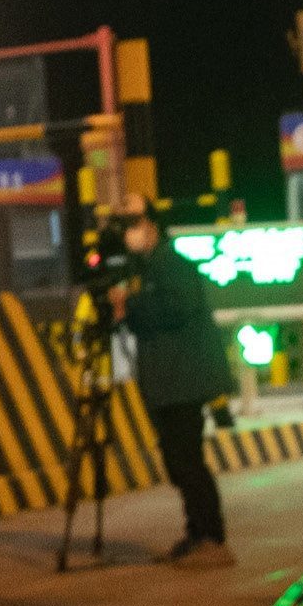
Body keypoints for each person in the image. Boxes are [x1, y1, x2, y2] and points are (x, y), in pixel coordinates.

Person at [112, 207, 234, 567]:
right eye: (125, 226)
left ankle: (212, 538)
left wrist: (129, 303)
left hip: (183, 381)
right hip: (169, 380)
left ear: (153, 226)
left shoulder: (171, 264)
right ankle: (197, 533)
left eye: (135, 223)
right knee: (178, 460)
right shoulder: (149, 268)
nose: (129, 233)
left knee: (187, 461)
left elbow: (177, 308)